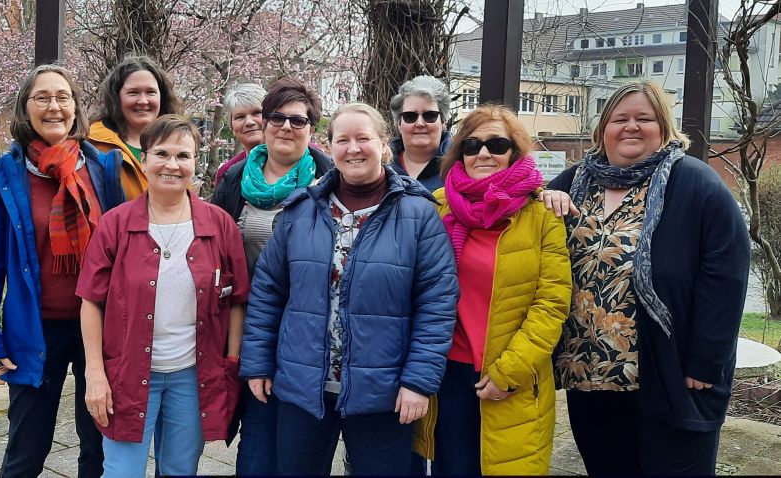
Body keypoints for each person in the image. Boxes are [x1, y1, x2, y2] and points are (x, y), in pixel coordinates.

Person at [239, 102, 458, 475]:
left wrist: (418, 382)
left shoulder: (419, 215)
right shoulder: (300, 212)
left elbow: (436, 306)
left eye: (363, 138)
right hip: (302, 388)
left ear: (384, 145)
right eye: (343, 139)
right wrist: (258, 362)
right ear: (329, 146)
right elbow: (268, 293)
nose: (353, 148)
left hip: (383, 395)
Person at [548, 81, 750, 475]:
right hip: (590, 375)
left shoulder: (695, 184)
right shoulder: (573, 183)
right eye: (620, 119)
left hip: (671, 375)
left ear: (664, 128)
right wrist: (539, 197)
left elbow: (726, 276)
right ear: (602, 128)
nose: (631, 127)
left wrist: (706, 362)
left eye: (645, 118)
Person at [76, 114, 250, 476]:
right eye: (162, 153)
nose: (172, 164)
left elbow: (236, 301)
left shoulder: (220, 225)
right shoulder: (116, 224)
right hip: (128, 374)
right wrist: (95, 373)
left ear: (195, 164)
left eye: (183, 156)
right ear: (144, 160)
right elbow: (91, 301)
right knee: (122, 471)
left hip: (193, 374)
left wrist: (230, 361)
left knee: (180, 470)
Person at [0, 64, 124, 477]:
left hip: (98, 326)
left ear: (76, 108)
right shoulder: (1, 177)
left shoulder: (102, 169)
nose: (54, 106)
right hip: (33, 327)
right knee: (26, 450)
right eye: (42, 97)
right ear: (25, 108)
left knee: (99, 446)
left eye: (63, 97)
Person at [416, 104, 572, 475]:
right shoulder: (435, 208)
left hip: (512, 375)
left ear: (514, 152)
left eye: (496, 144)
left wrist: (509, 372)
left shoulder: (542, 216)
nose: (483, 153)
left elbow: (551, 303)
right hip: (447, 374)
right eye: (471, 145)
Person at [211, 78, 333, 475]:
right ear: (264, 124)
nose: (285, 126)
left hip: (310, 328)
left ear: (311, 128)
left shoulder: (329, 181)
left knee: (301, 445)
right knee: (258, 444)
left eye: (297, 120)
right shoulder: (234, 179)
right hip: (249, 326)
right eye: (276, 117)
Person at [89, 56, 183, 200]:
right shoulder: (94, 146)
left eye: (151, 92)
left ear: (161, 97)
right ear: (116, 97)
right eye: (133, 92)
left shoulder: (179, 142)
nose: (143, 101)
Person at [388, 75, 454, 192]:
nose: (420, 123)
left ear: (443, 122)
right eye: (410, 116)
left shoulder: (460, 165)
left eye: (430, 116)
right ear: (399, 123)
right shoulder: (381, 167)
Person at [213, 83, 266, 189]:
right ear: (232, 127)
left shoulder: (302, 157)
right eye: (240, 117)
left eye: (256, 113)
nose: (249, 122)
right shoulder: (227, 172)